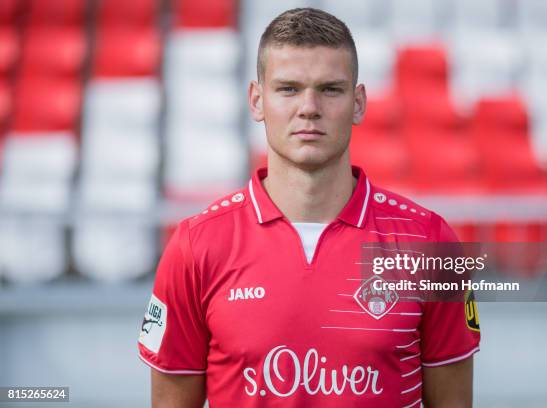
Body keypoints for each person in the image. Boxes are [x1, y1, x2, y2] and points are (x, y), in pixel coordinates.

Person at [138, 7, 480, 407]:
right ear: (257, 100)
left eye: (330, 89)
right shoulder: (196, 246)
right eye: (288, 89)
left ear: (358, 103)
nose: (309, 107)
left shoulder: (430, 244)